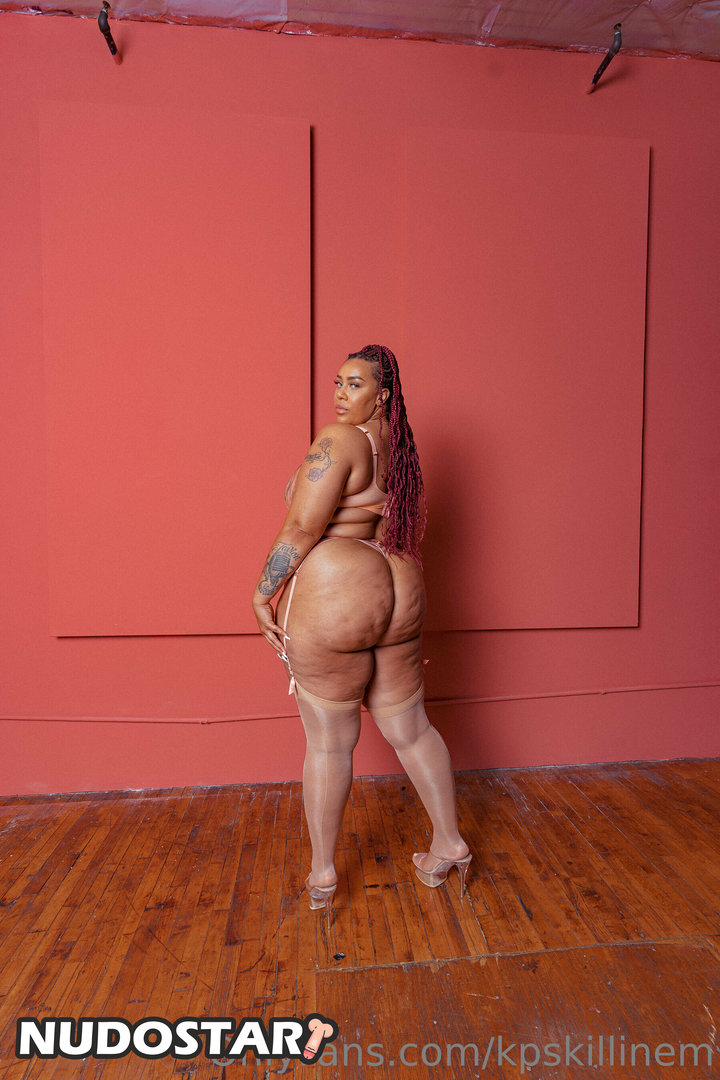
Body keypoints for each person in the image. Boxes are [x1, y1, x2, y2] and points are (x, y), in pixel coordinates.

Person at [252, 345, 470, 914]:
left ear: (383, 394)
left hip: (342, 591)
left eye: (355, 384)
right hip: (400, 587)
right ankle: (449, 843)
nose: (341, 394)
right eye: (338, 382)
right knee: (413, 729)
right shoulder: (400, 447)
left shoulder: (339, 440)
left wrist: (261, 592)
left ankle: (324, 874)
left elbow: (303, 527)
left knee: (330, 742)